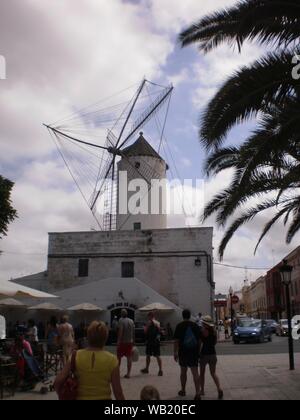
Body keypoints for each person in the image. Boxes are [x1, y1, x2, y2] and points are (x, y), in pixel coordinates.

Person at [54, 321, 125, 401]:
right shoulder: (112, 360)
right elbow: (118, 392)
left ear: (88, 337)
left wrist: (62, 394)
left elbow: (57, 382)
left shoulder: (76, 355)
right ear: (105, 338)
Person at [173, 309, 201, 400]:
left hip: (183, 352)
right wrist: (198, 351)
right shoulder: (195, 326)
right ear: (189, 316)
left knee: (183, 372)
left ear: (182, 316)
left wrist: (175, 352)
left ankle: (183, 390)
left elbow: (176, 341)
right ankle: (197, 393)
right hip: (193, 352)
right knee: (195, 373)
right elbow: (200, 341)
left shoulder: (179, 326)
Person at [199, 315, 223, 400]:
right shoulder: (214, 331)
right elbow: (214, 343)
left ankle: (202, 390)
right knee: (213, 373)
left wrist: (198, 353)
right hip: (213, 354)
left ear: (205, 323)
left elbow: (200, 344)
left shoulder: (202, 331)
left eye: (202, 322)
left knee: (202, 373)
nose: (201, 323)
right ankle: (219, 388)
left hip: (204, 355)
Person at [141, 312, 163, 377]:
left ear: (150, 316)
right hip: (156, 341)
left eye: (148, 316)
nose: (148, 317)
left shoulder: (149, 322)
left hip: (150, 341)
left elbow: (145, 331)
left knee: (148, 355)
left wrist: (144, 328)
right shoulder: (158, 323)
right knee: (157, 355)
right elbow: (159, 331)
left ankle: (147, 369)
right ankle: (160, 370)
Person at [117, 309, 135, 379]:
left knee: (118, 358)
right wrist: (134, 341)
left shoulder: (121, 321)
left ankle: (117, 373)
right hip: (130, 341)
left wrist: (118, 341)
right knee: (129, 357)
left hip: (122, 342)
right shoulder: (131, 321)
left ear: (121, 314)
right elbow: (133, 332)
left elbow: (121, 331)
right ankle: (128, 373)